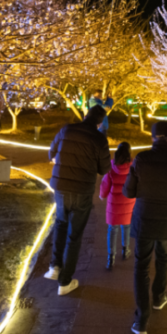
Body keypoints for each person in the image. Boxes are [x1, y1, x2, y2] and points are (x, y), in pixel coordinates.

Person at [124, 121, 167, 334]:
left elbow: (128, 192)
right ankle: (159, 297)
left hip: (144, 218)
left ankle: (141, 320)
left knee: (141, 265)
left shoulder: (141, 159)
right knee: (164, 259)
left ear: (152, 137)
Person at [44, 104, 110, 296]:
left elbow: (51, 152)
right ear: (99, 123)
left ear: (85, 115)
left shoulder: (67, 129)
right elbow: (104, 169)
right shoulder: (99, 139)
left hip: (62, 188)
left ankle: (55, 266)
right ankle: (65, 282)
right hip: (82, 190)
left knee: (61, 224)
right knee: (75, 235)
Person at [99, 141, 135, 270]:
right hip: (128, 204)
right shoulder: (133, 167)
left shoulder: (111, 167)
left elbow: (105, 185)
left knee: (112, 230)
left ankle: (111, 258)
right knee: (126, 227)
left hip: (113, 205)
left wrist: (102, 195)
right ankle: (125, 251)